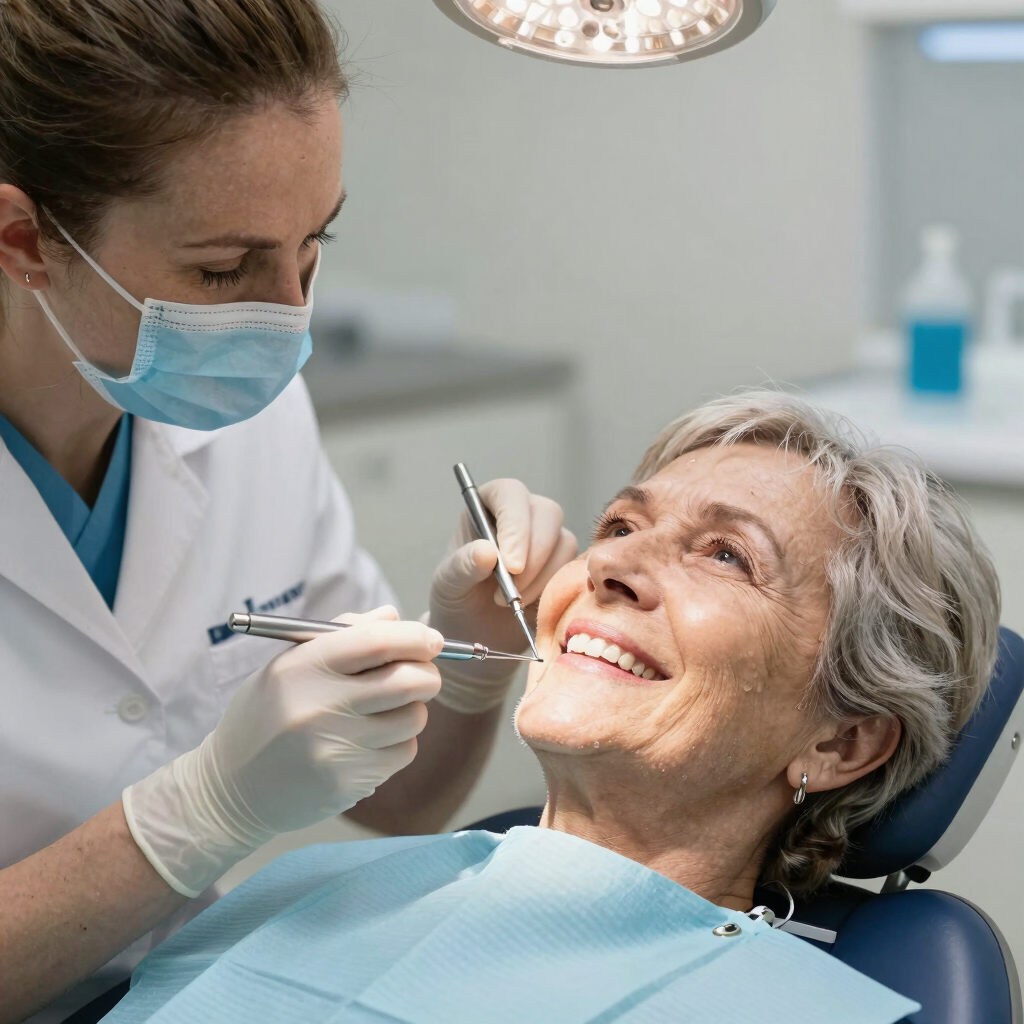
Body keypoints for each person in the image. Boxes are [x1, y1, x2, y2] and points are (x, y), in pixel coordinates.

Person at [0, 3, 576, 1022]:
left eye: (313, 245)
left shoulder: (244, 412)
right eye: (223, 269)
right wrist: (194, 817)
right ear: (22, 239)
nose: (285, 317)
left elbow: (402, 802)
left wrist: (466, 661)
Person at [100, 392, 1000, 1024]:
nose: (611, 566)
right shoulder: (315, 890)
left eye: (726, 555)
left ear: (843, 742)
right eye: (620, 525)